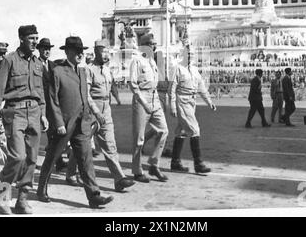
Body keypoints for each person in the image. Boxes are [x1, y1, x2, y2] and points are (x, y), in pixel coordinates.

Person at [36, 36, 113, 208]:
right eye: (77, 51)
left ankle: (94, 196)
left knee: (86, 160)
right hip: (64, 124)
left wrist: (90, 117)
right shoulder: (58, 71)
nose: (80, 54)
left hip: (82, 125)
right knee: (52, 157)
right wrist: (59, 123)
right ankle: (41, 189)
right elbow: (53, 99)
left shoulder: (83, 71)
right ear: (68, 52)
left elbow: (85, 97)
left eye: (82, 51)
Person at [0, 25, 49, 215]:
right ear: (21, 39)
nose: (35, 42)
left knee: (32, 159)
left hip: (34, 114)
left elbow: (40, 92)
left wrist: (43, 113)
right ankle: (2, 195)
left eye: (36, 37)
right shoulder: (9, 60)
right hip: (15, 114)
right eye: (31, 38)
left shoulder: (37, 63)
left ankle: (22, 200)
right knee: (18, 157)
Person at [85, 38, 135, 192]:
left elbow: (111, 87)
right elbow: (86, 95)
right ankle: (71, 172)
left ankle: (119, 179)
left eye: (108, 51)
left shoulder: (107, 70)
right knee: (82, 145)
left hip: (106, 109)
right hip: (92, 110)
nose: (106, 54)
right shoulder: (88, 70)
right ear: (95, 52)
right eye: (103, 51)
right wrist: (96, 111)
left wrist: (115, 100)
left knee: (110, 144)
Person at [169, 45, 217, 173]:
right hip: (182, 101)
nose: (190, 56)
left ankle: (175, 162)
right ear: (183, 55)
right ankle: (198, 163)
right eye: (187, 54)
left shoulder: (195, 70)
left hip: (191, 102)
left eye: (191, 54)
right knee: (194, 130)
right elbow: (172, 89)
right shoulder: (177, 69)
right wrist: (173, 106)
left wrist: (209, 102)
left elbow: (201, 88)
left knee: (181, 131)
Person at [129, 33, 169, 183]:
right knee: (139, 138)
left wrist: (156, 101)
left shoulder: (152, 61)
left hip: (154, 97)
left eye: (155, 43)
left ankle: (154, 164)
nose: (155, 46)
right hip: (141, 99)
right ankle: (137, 171)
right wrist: (144, 103)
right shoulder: (137, 61)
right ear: (144, 45)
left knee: (163, 130)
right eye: (152, 44)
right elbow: (133, 85)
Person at [36, 38, 68, 173]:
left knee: (54, 134)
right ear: (39, 49)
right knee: (42, 135)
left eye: (49, 48)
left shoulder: (53, 65)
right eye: (44, 48)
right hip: (40, 104)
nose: (47, 50)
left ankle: (57, 161)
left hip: (52, 104)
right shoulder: (34, 64)